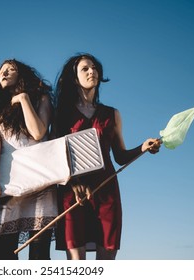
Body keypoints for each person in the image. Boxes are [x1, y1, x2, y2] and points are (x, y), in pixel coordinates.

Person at [53, 53, 161, 260]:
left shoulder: (112, 114)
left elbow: (120, 156)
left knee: (107, 257)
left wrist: (143, 148)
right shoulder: (61, 113)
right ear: (75, 78)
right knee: (76, 262)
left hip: (106, 188)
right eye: (85, 68)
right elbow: (55, 156)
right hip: (73, 191)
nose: (92, 71)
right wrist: (73, 183)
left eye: (94, 68)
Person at [0, 59, 57, 260]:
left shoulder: (40, 98)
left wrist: (24, 99)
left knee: (39, 255)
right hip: (8, 183)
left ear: (22, 75)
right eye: (1, 71)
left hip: (40, 183)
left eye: (10, 70)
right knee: (3, 254)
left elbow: (38, 132)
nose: (4, 73)